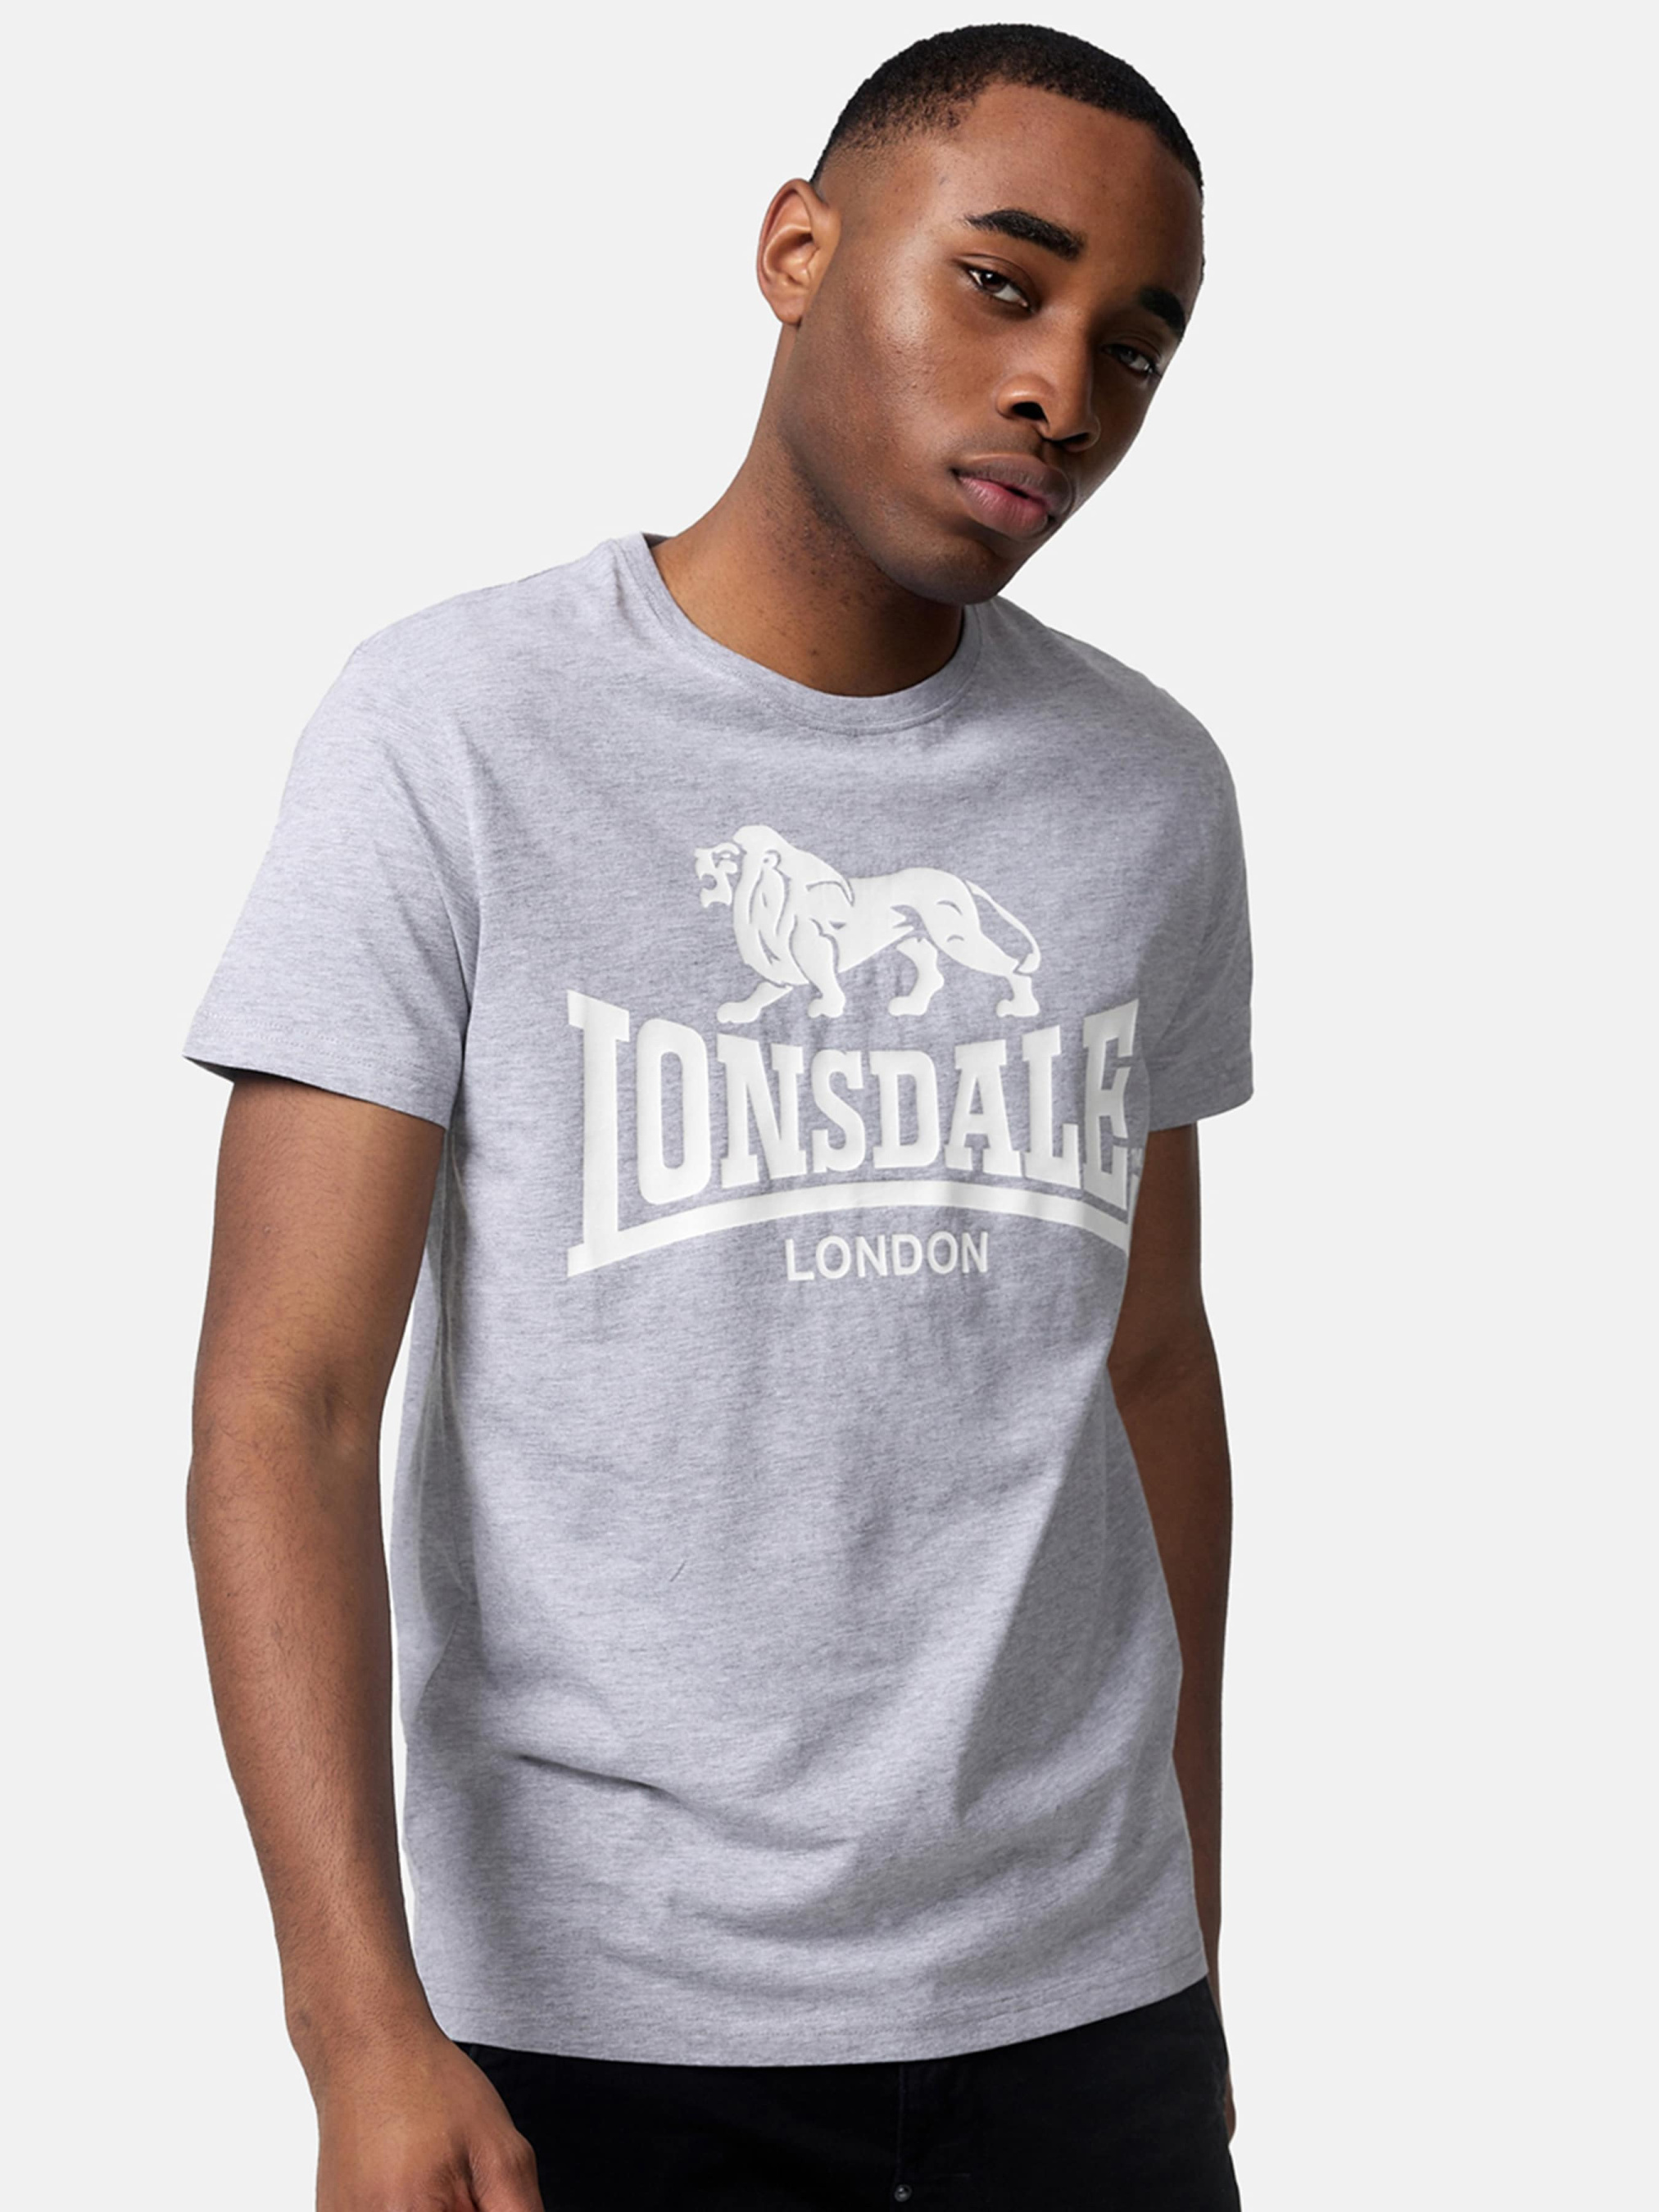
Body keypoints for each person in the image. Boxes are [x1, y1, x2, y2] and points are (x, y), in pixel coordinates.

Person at [184, 22, 1253, 2210]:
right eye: (1001, 281)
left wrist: (1191, 1929)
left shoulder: (1148, 790)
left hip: (1085, 2012)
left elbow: (1148, 1364)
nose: (1062, 386)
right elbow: (281, 1406)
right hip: (600, 2026)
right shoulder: (455, 728)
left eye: (1135, 346)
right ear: (796, 250)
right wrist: (357, 2030)